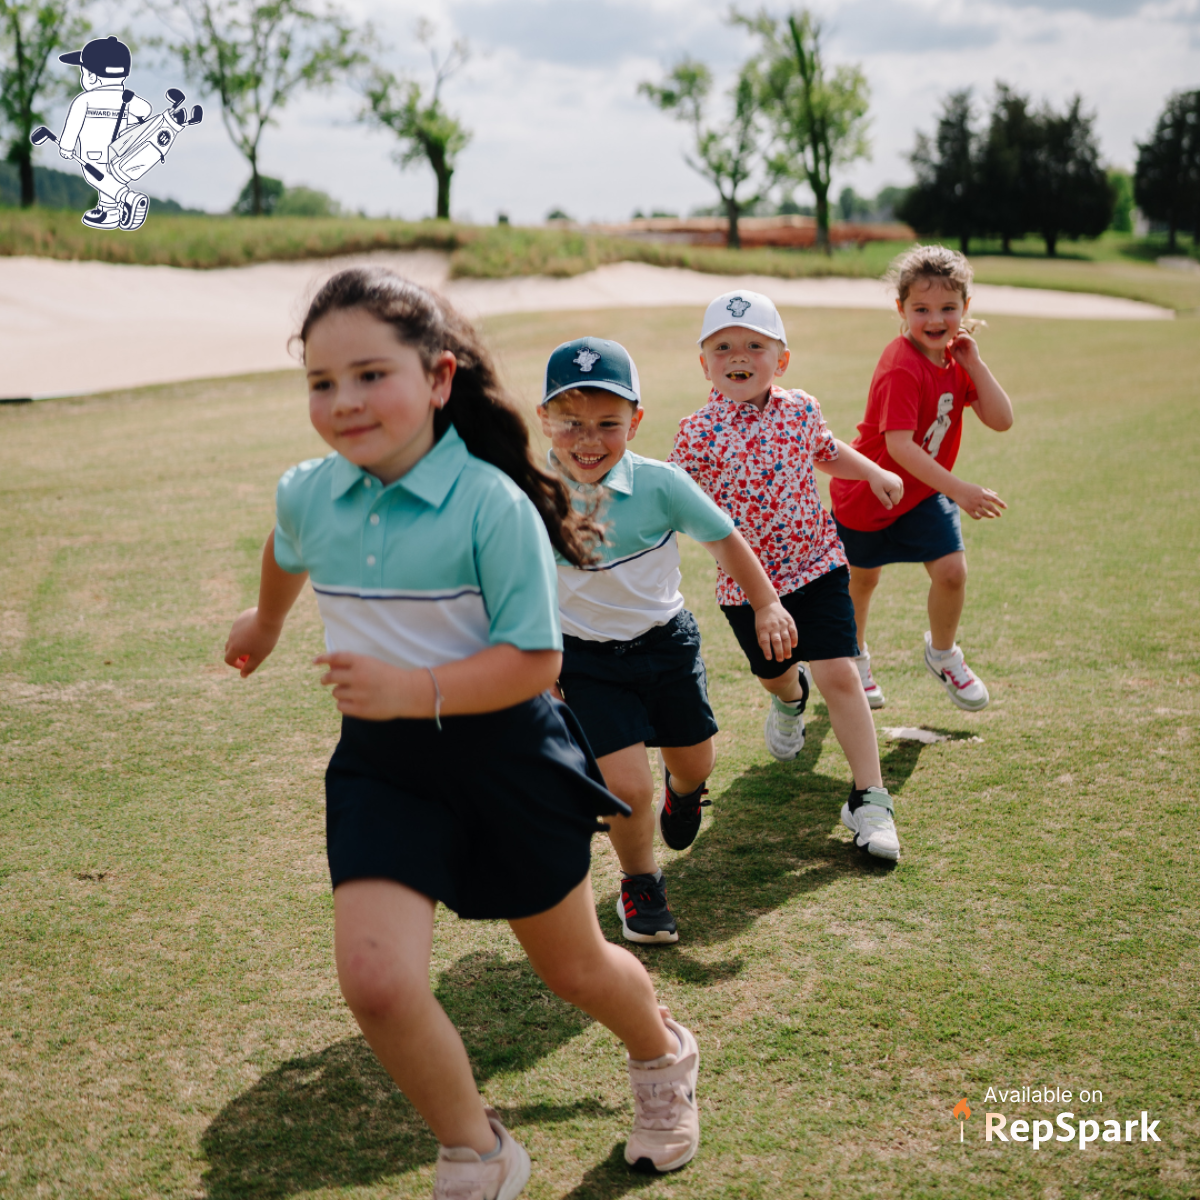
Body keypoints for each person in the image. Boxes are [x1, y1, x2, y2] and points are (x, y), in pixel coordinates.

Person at [224, 269, 700, 1199]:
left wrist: (414, 687)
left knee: (573, 969)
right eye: (322, 382)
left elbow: (536, 663)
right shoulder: (309, 492)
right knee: (376, 982)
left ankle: (661, 1053)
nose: (343, 401)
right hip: (384, 769)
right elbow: (288, 546)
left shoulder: (492, 505)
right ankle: (477, 1153)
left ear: (440, 379)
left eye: (370, 375)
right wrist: (267, 622)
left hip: (507, 759)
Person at [539, 337, 798, 945]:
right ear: (543, 420)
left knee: (694, 761)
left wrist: (766, 603)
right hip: (585, 660)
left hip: (665, 646)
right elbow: (510, 582)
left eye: (608, 423)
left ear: (636, 419)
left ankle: (686, 797)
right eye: (570, 423)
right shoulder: (530, 496)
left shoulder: (661, 484)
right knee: (626, 786)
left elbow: (726, 539)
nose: (588, 440)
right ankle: (641, 880)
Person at [669, 289, 905, 862]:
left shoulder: (800, 408)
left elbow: (824, 451)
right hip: (746, 589)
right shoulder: (696, 432)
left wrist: (873, 471)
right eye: (723, 347)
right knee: (777, 676)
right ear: (705, 364)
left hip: (817, 563)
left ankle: (870, 800)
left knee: (840, 673)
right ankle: (789, 699)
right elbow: (672, 499)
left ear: (782, 358)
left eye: (754, 344)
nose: (738, 356)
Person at [829, 245, 1014, 711]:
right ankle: (856, 658)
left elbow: (1001, 419)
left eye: (948, 308)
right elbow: (899, 448)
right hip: (870, 492)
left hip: (923, 492)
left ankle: (943, 654)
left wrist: (975, 363)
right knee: (862, 581)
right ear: (901, 310)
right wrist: (962, 490)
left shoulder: (956, 358)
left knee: (952, 571)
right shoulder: (901, 364)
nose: (936, 319)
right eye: (922, 309)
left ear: (965, 309)